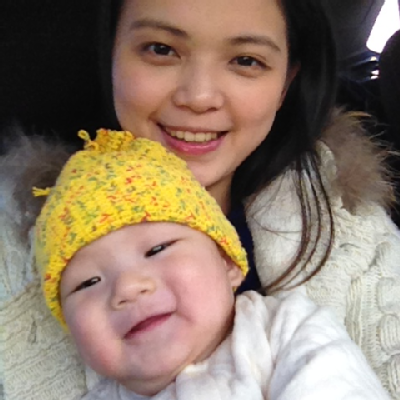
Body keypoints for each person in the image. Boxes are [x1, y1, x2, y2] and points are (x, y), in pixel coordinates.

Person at [1, 0, 400, 399]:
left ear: (285, 84)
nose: (198, 96)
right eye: (161, 49)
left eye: (246, 60)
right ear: (112, 57)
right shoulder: (14, 251)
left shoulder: (356, 237)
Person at [34, 129, 390, 399]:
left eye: (157, 249)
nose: (127, 287)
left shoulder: (286, 331)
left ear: (227, 262)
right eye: (87, 283)